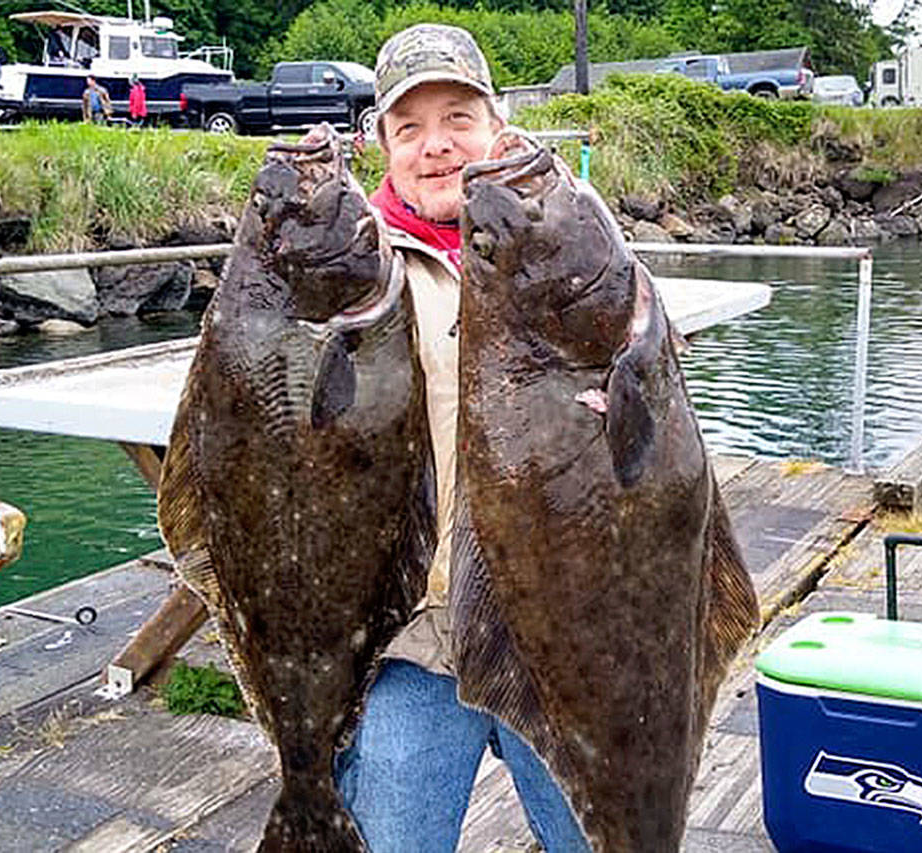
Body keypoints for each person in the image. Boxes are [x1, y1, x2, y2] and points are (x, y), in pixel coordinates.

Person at [330, 24, 593, 853]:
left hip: (558, 631)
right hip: (405, 638)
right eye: (410, 127)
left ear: (498, 126)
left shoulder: (570, 236)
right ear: (382, 144)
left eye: (458, 118)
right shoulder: (344, 263)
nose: (437, 145)